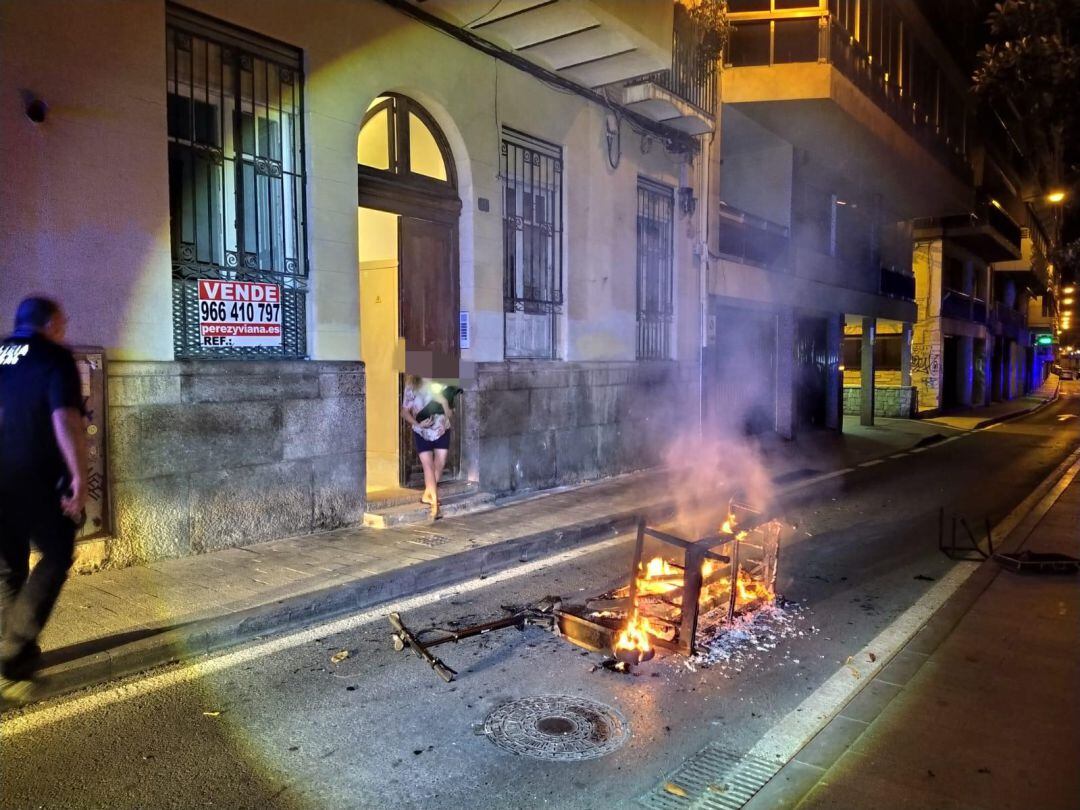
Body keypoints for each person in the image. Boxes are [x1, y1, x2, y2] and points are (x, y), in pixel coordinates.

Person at [0, 297, 87, 684]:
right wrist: (79, 479)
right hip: (34, 478)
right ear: (50, 323)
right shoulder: (55, 357)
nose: (64, 327)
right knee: (57, 553)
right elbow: (65, 418)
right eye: (62, 321)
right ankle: (15, 644)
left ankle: (15, 653)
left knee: (8, 566)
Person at [400, 375, 452, 519]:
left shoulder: (442, 382)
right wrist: (417, 424)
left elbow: (450, 412)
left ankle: (427, 495)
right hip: (421, 432)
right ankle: (435, 506)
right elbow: (404, 411)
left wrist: (444, 403)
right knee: (428, 466)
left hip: (441, 430)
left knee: (439, 464)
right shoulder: (412, 384)